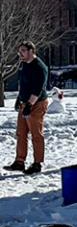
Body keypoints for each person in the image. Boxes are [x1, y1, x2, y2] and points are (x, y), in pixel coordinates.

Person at [3, 41, 49, 175]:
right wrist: (20, 99)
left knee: (36, 134)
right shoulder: (24, 65)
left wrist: (29, 104)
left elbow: (38, 89)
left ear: (31, 51)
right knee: (21, 133)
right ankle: (19, 162)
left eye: (23, 51)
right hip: (25, 102)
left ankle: (37, 163)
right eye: (19, 51)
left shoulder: (40, 67)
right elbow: (23, 84)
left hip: (37, 103)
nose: (20, 54)